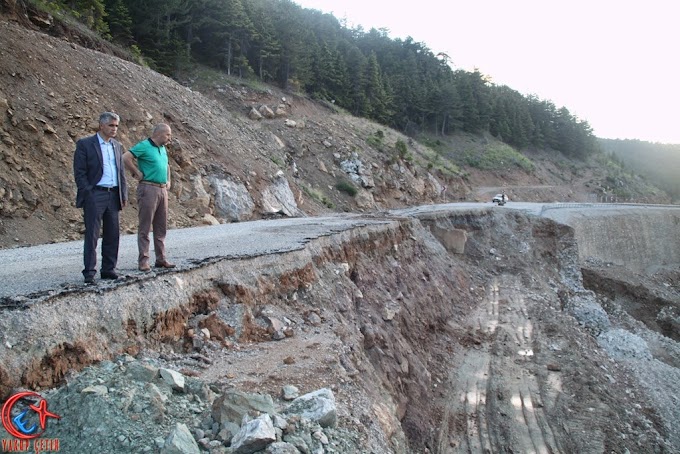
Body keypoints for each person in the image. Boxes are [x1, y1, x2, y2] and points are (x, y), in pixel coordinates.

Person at [73, 112, 128, 284]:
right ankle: (89, 271)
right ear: (101, 125)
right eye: (111, 125)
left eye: (116, 126)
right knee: (92, 234)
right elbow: (79, 172)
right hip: (95, 193)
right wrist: (88, 192)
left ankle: (108, 269)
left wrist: (123, 194)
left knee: (113, 234)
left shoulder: (117, 146)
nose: (114, 129)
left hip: (113, 194)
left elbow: (121, 172)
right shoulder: (85, 144)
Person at [123, 124, 176, 272]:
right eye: (167, 135)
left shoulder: (163, 148)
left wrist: (168, 179)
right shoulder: (144, 146)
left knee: (161, 226)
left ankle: (161, 259)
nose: (169, 138)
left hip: (162, 189)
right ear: (158, 134)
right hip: (148, 188)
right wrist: (136, 172)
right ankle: (143, 260)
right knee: (145, 225)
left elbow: (167, 165)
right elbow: (126, 157)